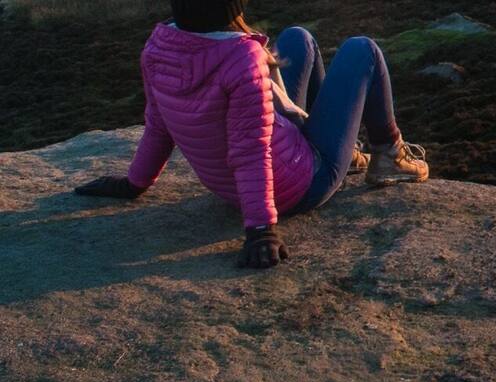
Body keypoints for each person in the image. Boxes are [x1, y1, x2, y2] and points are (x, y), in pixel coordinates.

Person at [73, 0, 429, 269]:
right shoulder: (241, 58)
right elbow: (251, 151)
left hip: (233, 185)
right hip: (302, 185)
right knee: (361, 49)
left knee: (299, 38)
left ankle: (346, 152)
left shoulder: (158, 47)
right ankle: (388, 155)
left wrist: (135, 183)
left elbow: (158, 124)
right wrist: (261, 229)